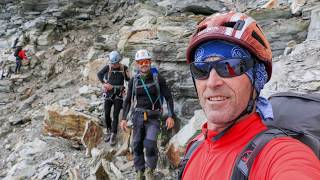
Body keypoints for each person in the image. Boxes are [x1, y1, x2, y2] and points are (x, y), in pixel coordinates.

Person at [181, 11, 320, 179]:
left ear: (257, 78)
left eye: (229, 66)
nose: (212, 82)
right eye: (201, 69)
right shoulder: (194, 147)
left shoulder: (279, 154)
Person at [120, 49, 175, 180]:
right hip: (137, 116)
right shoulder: (134, 80)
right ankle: (140, 171)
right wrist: (123, 119)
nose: (143, 64)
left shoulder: (158, 79)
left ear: (150, 62)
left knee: (150, 144)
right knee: (136, 145)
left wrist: (170, 116)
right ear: (137, 64)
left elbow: (168, 97)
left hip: (153, 117)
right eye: (140, 62)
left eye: (146, 61)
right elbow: (128, 100)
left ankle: (150, 169)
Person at [97, 50, 130, 146]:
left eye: (116, 63)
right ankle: (108, 130)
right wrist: (104, 84)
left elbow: (129, 80)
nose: (114, 65)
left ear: (119, 61)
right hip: (108, 94)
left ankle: (113, 134)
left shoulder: (124, 68)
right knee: (106, 113)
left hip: (118, 95)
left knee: (115, 115)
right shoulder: (108, 67)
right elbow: (99, 74)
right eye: (113, 63)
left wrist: (128, 89)